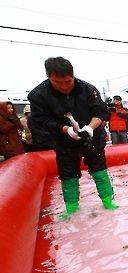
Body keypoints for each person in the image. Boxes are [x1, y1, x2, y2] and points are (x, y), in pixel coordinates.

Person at [28, 57, 118, 219]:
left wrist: (90, 127)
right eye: (57, 82)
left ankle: (108, 201)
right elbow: (40, 120)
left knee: (99, 169)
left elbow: (101, 113)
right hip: (64, 141)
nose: (64, 86)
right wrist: (66, 129)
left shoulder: (88, 89)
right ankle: (71, 208)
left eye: (68, 81)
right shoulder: (38, 95)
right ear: (49, 77)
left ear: (73, 75)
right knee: (67, 174)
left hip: (92, 137)